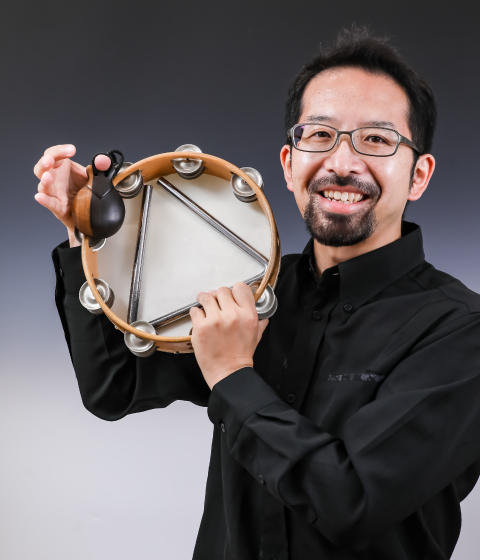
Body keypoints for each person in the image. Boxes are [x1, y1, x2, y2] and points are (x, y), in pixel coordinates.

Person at [34, 27, 480, 560]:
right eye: (320, 134)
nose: (342, 163)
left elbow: (353, 502)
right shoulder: (252, 288)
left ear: (419, 176)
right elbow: (113, 388)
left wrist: (232, 375)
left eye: (377, 140)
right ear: (289, 166)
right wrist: (87, 235)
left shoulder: (460, 332)